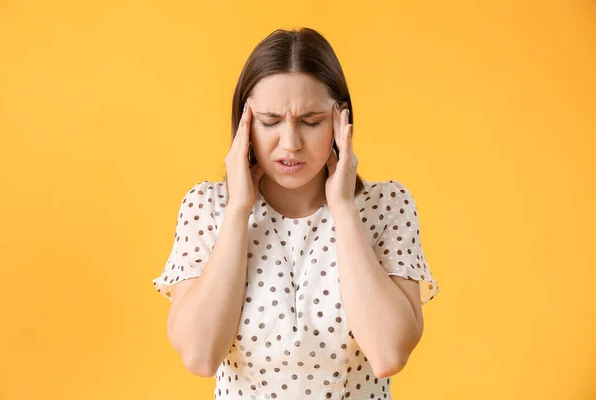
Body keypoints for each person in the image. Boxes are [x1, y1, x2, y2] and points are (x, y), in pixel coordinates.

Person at [152, 27, 439, 400]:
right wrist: (238, 210)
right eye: (270, 121)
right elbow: (201, 356)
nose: (290, 143)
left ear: (341, 121)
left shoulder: (387, 206)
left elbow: (388, 354)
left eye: (311, 121)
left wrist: (344, 210)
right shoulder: (205, 207)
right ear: (245, 124)